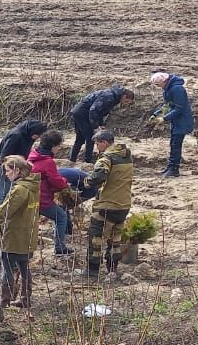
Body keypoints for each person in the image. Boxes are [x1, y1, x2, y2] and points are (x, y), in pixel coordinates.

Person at [83, 131, 135, 277]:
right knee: (115, 239)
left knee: (96, 237)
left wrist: (87, 182)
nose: (96, 147)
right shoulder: (127, 156)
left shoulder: (106, 158)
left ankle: (92, 271)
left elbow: (99, 176)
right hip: (123, 204)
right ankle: (112, 269)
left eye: (97, 143)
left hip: (107, 204)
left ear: (104, 143)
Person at [0, 156, 39, 310]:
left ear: (17, 170)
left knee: (6, 269)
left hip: (14, 237)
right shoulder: (33, 186)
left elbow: (4, 212)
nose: (6, 174)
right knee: (24, 267)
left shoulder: (19, 190)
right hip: (28, 236)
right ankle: (26, 298)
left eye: (7, 170)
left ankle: (4, 301)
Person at [29, 130, 73, 256]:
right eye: (59, 146)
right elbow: (57, 182)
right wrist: (65, 181)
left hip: (31, 196)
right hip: (42, 198)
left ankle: (29, 246)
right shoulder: (48, 162)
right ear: (53, 146)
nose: (59, 149)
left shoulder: (33, 155)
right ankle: (60, 247)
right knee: (61, 216)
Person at [71, 85, 135, 163]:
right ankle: (87, 161)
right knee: (90, 138)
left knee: (80, 139)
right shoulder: (109, 96)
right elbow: (93, 110)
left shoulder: (114, 97)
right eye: (127, 101)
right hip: (82, 113)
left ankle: (72, 160)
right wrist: (95, 127)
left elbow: (101, 112)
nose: (126, 104)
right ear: (124, 96)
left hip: (79, 112)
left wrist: (100, 124)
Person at [0, 119, 46, 205]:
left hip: (14, 165)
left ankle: (5, 211)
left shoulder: (29, 136)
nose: (37, 137)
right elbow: (4, 155)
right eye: (37, 135)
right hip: (1, 164)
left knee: (8, 191)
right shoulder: (15, 136)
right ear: (32, 131)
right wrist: (6, 172)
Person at [150, 71, 193, 178]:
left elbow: (179, 108)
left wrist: (164, 118)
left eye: (158, 84)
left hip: (182, 121)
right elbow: (167, 105)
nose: (158, 87)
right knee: (173, 143)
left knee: (176, 145)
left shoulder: (177, 89)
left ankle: (174, 169)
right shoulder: (169, 88)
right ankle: (171, 167)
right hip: (176, 121)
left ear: (164, 81)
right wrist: (156, 114)